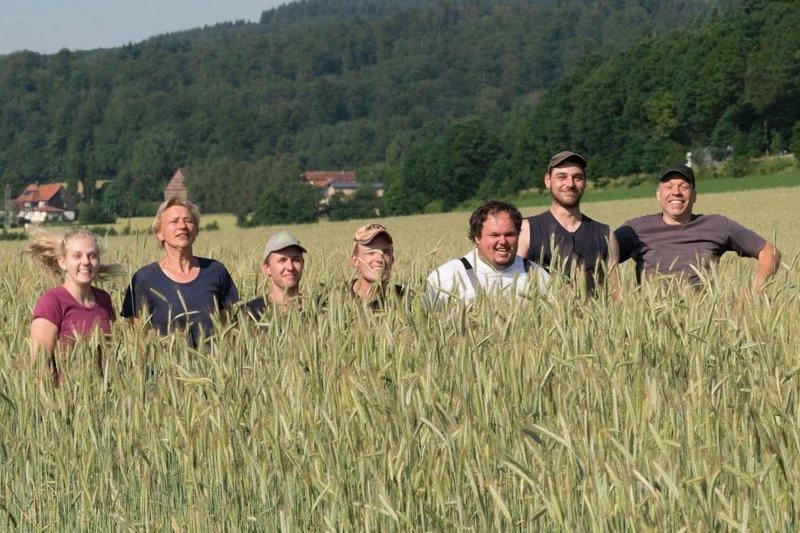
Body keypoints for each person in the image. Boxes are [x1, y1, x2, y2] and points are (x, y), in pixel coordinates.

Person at [614, 164, 781, 292]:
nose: (676, 192)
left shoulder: (717, 225)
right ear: (659, 195)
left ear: (694, 195)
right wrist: (618, 301)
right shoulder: (635, 229)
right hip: (653, 326)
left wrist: (752, 293)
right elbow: (597, 259)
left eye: (684, 187)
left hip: (705, 324)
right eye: (669, 187)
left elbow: (769, 252)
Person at [121, 198, 239, 346]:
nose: (182, 226)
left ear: (196, 230)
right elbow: (139, 342)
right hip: (167, 368)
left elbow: (230, 330)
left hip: (215, 367)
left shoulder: (215, 270)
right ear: (160, 233)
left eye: (188, 220)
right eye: (174, 221)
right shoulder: (144, 279)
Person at [27, 229, 124, 384]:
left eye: (92, 256)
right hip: (67, 403)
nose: (86, 261)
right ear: (62, 262)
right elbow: (39, 366)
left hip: (106, 402)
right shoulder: (51, 302)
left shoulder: (104, 299)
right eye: (77, 256)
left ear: (98, 261)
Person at [517, 150, 619, 297]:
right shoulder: (526, 230)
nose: (570, 184)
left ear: (584, 182)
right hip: (544, 319)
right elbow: (514, 289)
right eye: (561, 177)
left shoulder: (605, 234)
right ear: (548, 180)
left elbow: (617, 296)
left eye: (577, 177)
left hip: (594, 318)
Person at [426, 200, 549, 308]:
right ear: (477, 237)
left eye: (509, 234)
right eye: (494, 235)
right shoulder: (446, 276)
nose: (503, 241)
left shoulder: (537, 275)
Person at [245, 231, 306, 320]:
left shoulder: (321, 310)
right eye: (282, 260)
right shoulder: (250, 312)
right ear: (267, 268)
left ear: (303, 264)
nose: (290, 267)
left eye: (295, 260)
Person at [350, 222, 404, 310]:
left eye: (386, 252)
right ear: (355, 260)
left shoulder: (407, 299)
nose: (380, 259)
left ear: (392, 259)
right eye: (371, 252)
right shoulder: (334, 301)